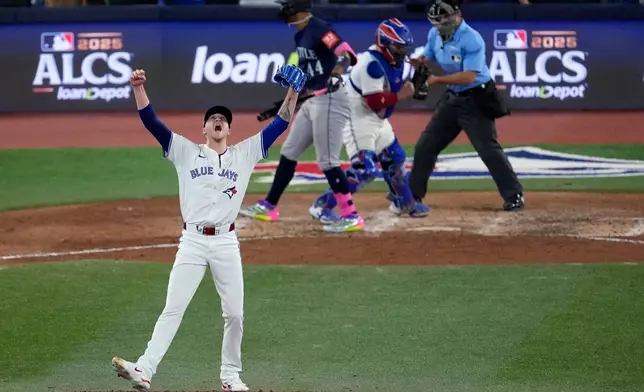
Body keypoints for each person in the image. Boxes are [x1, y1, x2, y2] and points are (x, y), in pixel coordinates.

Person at [110, 64, 308, 392]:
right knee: (173, 309)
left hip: (226, 242)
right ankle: (143, 369)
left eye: (224, 119)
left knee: (235, 315)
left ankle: (230, 377)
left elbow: (282, 122)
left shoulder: (245, 154)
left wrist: (294, 92)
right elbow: (152, 122)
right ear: (204, 129)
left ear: (228, 129)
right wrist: (138, 87)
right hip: (192, 241)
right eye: (213, 119)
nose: (218, 121)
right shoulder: (185, 152)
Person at [239, 0, 364, 233]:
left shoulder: (320, 28)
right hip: (313, 99)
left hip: (331, 99)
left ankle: (351, 215)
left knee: (327, 161)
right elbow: (310, 75)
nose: (284, 9)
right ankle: (269, 206)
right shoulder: (300, 36)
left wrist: (336, 74)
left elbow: (345, 54)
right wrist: (296, 99)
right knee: (289, 151)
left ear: (299, 8)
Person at [308, 18, 431, 223]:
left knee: (396, 158)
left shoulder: (393, 61)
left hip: (377, 119)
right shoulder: (371, 64)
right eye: (397, 46)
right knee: (365, 170)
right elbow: (375, 101)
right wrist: (402, 95)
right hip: (357, 119)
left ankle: (403, 203)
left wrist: (415, 72)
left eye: (403, 47)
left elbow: (390, 89)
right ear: (384, 43)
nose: (402, 51)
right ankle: (322, 205)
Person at [409, 0, 525, 211]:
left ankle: (514, 194)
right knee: (425, 147)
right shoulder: (435, 34)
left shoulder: (472, 39)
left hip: (477, 99)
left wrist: (436, 80)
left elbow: (469, 76)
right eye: (438, 21)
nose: (442, 23)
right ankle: (412, 196)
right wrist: (419, 61)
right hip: (453, 99)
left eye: (445, 19)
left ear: (457, 16)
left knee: (488, 150)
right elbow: (429, 55)